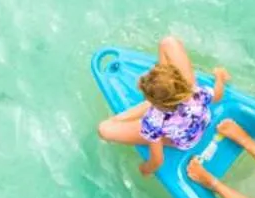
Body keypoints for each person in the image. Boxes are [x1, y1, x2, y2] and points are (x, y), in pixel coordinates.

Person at [97, 36, 229, 175]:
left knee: (103, 129)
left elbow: (157, 161)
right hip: (200, 123)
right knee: (168, 42)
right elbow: (218, 95)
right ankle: (159, 98)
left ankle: (138, 111)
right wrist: (219, 78)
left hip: (183, 142)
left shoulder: (154, 122)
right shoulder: (196, 92)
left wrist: (144, 170)